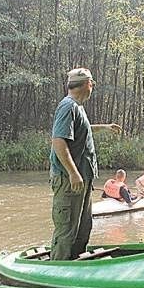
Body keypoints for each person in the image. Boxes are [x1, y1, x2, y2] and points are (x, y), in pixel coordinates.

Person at [49, 67, 122, 260]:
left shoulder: (77, 107)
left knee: (83, 228)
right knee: (67, 230)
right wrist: (73, 173)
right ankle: (56, 271)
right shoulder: (68, 106)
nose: (93, 88)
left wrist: (105, 127)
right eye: (92, 84)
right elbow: (59, 141)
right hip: (69, 179)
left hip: (82, 179)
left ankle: (74, 265)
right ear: (87, 85)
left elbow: (82, 129)